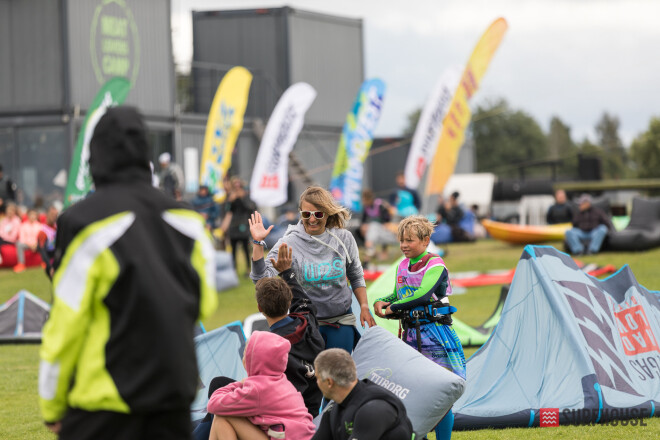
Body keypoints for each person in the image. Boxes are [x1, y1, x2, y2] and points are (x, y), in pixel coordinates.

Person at [38, 106, 218, 440]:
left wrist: (52, 403)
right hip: (172, 400)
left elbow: (65, 324)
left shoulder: (83, 222)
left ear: (96, 156)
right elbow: (204, 303)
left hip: (103, 405)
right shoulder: (190, 222)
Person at [250, 186, 376, 353]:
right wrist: (258, 243)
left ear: (327, 213)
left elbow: (356, 274)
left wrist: (364, 306)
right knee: (313, 378)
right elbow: (261, 280)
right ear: (300, 213)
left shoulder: (344, 238)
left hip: (341, 322)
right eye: (306, 214)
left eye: (318, 214)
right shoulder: (290, 242)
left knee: (338, 375)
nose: (312, 219)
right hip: (306, 326)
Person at [373, 215, 465, 440]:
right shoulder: (403, 265)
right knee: (413, 392)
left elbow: (422, 294)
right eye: (401, 240)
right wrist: (381, 301)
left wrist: (392, 307)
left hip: (436, 335)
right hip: (410, 336)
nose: (404, 245)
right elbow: (398, 294)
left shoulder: (436, 264)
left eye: (409, 240)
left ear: (425, 241)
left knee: (441, 394)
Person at [255, 239, 325, 416]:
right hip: (313, 411)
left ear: (260, 309)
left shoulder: (269, 347)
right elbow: (303, 302)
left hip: (286, 417)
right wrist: (287, 272)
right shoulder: (307, 322)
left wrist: (257, 244)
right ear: (289, 302)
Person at [206, 331, 316, 440]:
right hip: (300, 436)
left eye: (245, 354)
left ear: (255, 360)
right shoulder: (279, 380)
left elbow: (213, 404)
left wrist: (239, 384)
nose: (243, 358)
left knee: (221, 415)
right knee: (221, 418)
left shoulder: (257, 389)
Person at [312, 348, 414, 440]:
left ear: (329, 382)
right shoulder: (334, 409)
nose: (316, 383)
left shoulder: (373, 409)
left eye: (317, 378)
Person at [223, 176, 256, 276]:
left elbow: (250, 209)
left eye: (239, 184)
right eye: (235, 184)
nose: (237, 187)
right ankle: (233, 269)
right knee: (233, 250)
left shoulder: (246, 196)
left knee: (246, 249)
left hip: (243, 225)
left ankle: (248, 269)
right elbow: (227, 210)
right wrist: (230, 200)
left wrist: (242, 198)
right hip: (233, 226)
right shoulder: (230, 196)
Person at [360, 189, 397, 269]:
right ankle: (369, 254)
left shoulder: (380, 205)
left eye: (364, 199)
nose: (363, 202)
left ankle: (368, 257)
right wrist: (365, 227)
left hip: (386, 232)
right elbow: (363, 222)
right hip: (374, 233)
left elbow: (387, 222)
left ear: (368, 199)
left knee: (373, 226)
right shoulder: (366, 207)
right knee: (370, 228)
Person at [13, 208, 42, 273]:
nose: (32, 216)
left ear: (36, 216)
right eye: (31, 215)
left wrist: (35, 244)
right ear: (28, 216)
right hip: (27, 244)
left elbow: (40, 238)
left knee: (44, 243)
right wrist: (30, 245)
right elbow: (22, 238)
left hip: (36, 244)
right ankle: (21, 264)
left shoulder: (40, 226)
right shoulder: (23, 225)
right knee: (19, 244)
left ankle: (44, 261)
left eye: (34, 215)